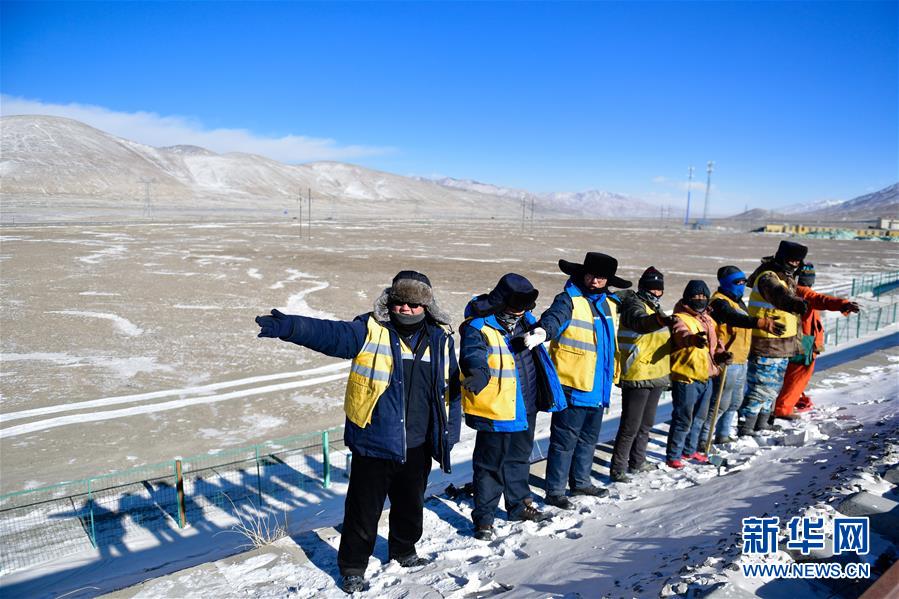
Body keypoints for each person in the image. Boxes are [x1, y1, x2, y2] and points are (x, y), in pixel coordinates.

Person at [255, 271, 461, 594]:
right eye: (400, 302)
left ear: (426, 306)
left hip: (418, 443)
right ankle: (353, 567)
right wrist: (291, 327)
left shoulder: (440, 339)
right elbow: (331, 335)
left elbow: (451, 390)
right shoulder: (371, 329)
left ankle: (404, 550)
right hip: (375, 441)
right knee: (362, 511)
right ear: (390, 302)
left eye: (413, 304)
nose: (405, 309)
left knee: (411, 506)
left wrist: (449, 432)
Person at [459, 273, 566, 541]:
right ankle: (484, 518)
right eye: (516, 306)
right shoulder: (478, 326)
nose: (520, 311)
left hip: (525, 403)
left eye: (524, 306)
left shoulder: (527, 321)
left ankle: (518, 506)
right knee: (489, 464)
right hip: (495, 407)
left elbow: (557, 317)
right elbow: (473, 353)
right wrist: (478, 372)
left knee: (519, 457)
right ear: (502, 301)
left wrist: (542, 332)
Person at [529, 252, 629, 508]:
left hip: (598, 386)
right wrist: (543, 331)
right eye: (591, 275)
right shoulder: (568, 300)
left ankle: (580, 482)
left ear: (608, 280)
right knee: (564, 442)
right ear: (583, 273)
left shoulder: (609, 303)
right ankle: (555, 491)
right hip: (572, 385)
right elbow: (554, 318)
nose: (595, 281)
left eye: (601, 277)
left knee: (588, 439)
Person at [699, 266, 787, 445]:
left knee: (735, 402)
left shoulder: (738, 301)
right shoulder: (719, 302)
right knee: (720, 403)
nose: (741, 285)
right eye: (737, 282)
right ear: (726, 283)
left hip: (741, 358)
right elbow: (733, 318)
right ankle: (703, 439)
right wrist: (759, 323)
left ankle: (723, 435)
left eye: (743, 282)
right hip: (727, 360)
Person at [610, 267, 675, 483]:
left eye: (659, 289)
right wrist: (660, 321)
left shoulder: (655, 308)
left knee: (646, 424)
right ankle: (618, 468)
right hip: (637, 374)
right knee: (630, 426)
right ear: (642, 287)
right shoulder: (634, 305)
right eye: (651, 288)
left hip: (656, 374)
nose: (656, 292)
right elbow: (640, 323)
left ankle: (638, 461)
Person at [738, 241, 810, 436]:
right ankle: (746, 426)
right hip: (766, 343)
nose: (794, 264)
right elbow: (779, 295)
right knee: (760, 388)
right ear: (781, 257)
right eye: (791, 260)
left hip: (782, 344)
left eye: (798, 261)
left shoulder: (786, 277)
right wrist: (793, 303)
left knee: (772, 388)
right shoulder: (768, 277)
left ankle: (762, 423)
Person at [772, 263, 859, 419]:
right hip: (804, 341)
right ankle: (783, 409)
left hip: (795, 338)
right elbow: (822, 300)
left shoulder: (788, 290)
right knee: (798, 375)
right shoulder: (803, 292)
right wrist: (843, 304)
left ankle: (789, 402)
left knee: (792, 375)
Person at [665, 280, 731, 469]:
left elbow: (715, 346)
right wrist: (692, 339)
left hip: (706, 375)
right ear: (687, 298)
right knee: (683, 418)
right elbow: (681, 335)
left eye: (703, 296)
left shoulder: (709, 320)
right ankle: (673, 455)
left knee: (699, 418)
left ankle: (690, 450)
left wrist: (722, 355)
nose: (700, 299)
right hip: (686, 376)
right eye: (696, 296)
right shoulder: (679, 318)